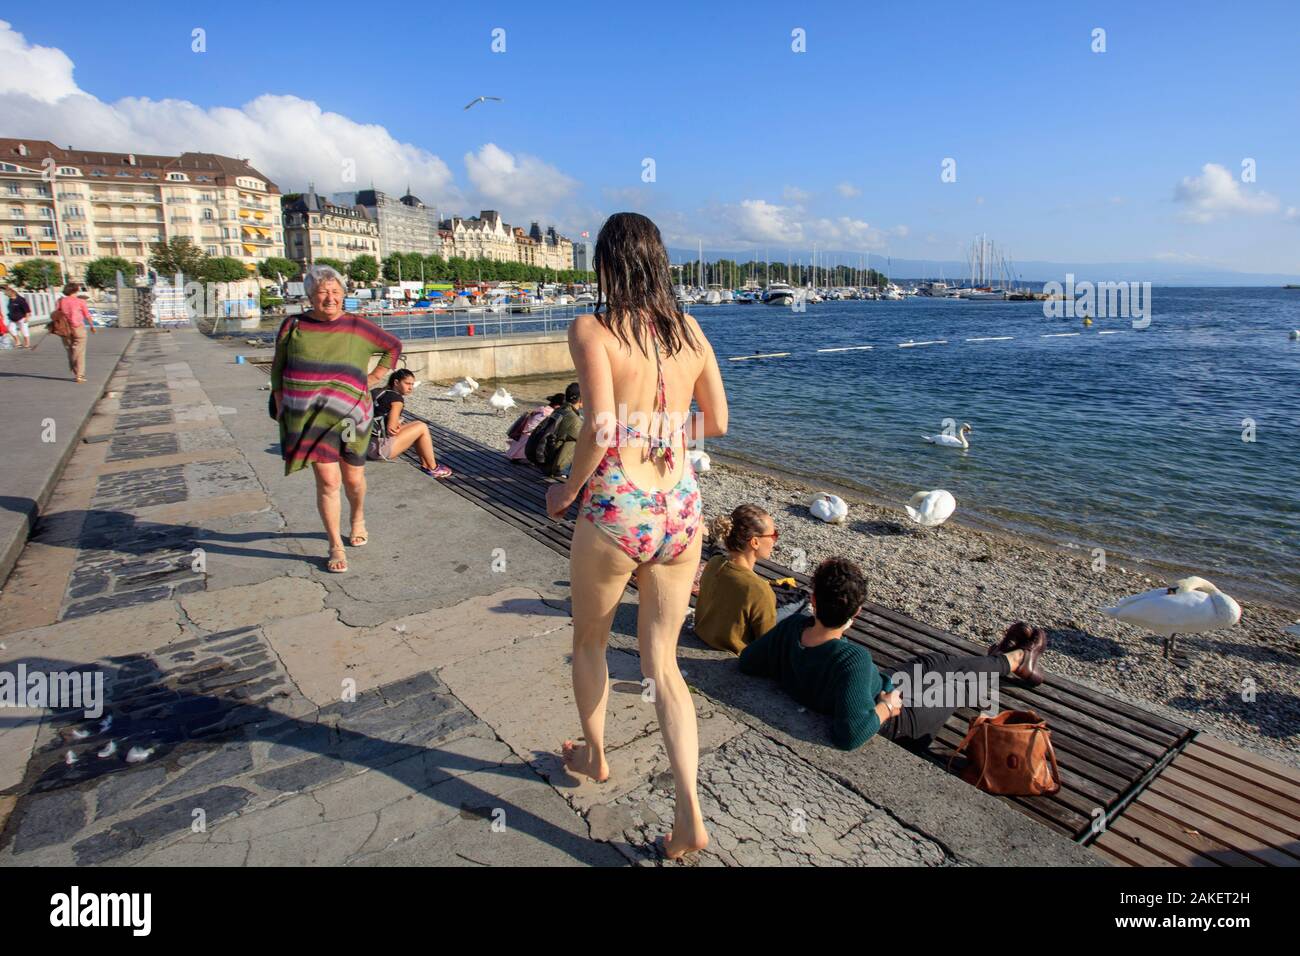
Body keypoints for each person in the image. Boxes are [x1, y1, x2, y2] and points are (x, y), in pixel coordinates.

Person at [544, 211, 728, 860]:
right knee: (664, 665)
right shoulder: (691, 329)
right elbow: (721, 420)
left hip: (618, 506)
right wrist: (665, 431)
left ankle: (595, 756)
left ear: (604, 265)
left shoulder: (591, 329)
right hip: (680, 508)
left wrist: (566, 491)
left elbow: (599, 429)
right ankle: (689, 815)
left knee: (590, 641)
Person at [739, 557, 1047, 751]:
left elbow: (749, 661)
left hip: (881, 686)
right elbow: (850, 735)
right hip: (900, 720)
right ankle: (1015, 660)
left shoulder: (794, 627)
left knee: (934, 661)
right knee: (960, 682)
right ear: (857, 613)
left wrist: (788, 667)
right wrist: (885, 708)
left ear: (814, 600)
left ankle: (1004, 658)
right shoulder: (852, 659)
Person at [271, 264, 402, 573]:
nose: (329, 298)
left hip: (350, 417)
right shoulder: (293, 325)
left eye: (335, 292)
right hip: (309, 418)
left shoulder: (357, 326)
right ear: (309, 297)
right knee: (328, 481)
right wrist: (280, 401)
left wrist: (376, 376)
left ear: (344, 295)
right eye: (321, 293)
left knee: (353, 479)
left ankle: (357, 517)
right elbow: (279, 365)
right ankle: (335, 544)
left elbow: (392, 347)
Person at [693, 506, 779, 653]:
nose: (774, 541)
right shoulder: (759, 590)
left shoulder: (714, 563)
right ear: (755, 542)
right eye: (774, 535)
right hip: (733, 652)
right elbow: (767, 644)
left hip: (703, 634)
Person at [368, 368, 453, 477]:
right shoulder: (396, 400)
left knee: (417, 424)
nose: (410, 388)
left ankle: (425, 465)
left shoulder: (377, 392)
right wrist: (397, 425)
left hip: (364, 446)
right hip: (379, 450)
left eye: (412, 384)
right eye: (407, 383)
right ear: (396, 382)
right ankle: (433, 468)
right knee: (422, 427)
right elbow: (391, 430)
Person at [54, 283, 96, 382]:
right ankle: (79, 375)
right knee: (80, 351)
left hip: (65, 329)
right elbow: (87, 315)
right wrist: (92, 326)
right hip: (78, 328)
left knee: (70, 349)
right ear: (76, 290)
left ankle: (74, 367)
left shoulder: (60, 301)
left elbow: (56, 314)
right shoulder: (80, 301)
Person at [506, 392, 563, 462]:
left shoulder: (542, 409)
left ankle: (517, 456)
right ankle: (523, 457)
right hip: (529, 438)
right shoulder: (550, 413)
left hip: (522, 435)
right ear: (558, 406)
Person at [543, 383, 583, 477]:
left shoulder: (559, 410)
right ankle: (565, 472)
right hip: (553, 465)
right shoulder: (574, 419)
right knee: (580, 442)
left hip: (546, 458)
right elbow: (583, 440)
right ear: (581, 399)